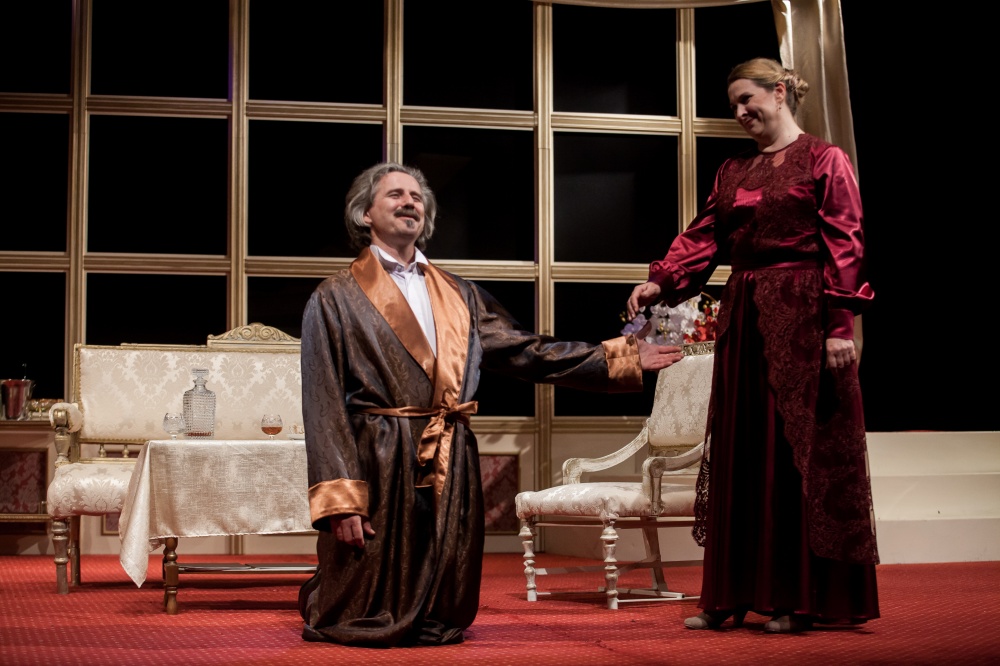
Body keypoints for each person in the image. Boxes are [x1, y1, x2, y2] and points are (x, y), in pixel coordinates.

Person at [299, 161, 684, 647]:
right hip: (378, 451)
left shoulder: (457, 293)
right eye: (395, 194)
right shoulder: (335, 296)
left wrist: (617, 358)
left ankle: (430, 614)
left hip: (448, 446)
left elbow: (527, 351)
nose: (409, 202)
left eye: (416, 196)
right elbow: (324, 402)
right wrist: (341, 501)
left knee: (443, 581)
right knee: (364, 581)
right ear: (364, 215)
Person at [626, 57, 880, 633]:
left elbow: (846, 242)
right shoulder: (733, 170)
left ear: (781, 92)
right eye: (734, 105)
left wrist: (840, 324)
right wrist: (662, 280)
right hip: (743, 317)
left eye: (749, 99)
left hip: (804, 316)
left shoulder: (824, 159)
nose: (741, 112)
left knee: (793, 458)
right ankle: (730, 594)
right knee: (742, 453)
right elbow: (703, 237)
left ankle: (798, 597)